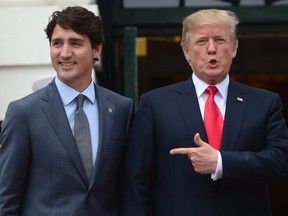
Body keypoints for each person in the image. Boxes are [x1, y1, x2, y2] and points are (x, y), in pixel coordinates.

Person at [121, 9, 288, 216]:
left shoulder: (264, 102)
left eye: (220, 40)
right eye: (201, 41)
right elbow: (136, 182)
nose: (211, 49)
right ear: (186, 51)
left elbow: (281, 162)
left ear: (234, 48)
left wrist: (221, 162)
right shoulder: (155, 104)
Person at [0, 6, 134, 216]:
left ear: (97, 49)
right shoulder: (23, 112)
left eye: (75, 43)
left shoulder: (121, 108)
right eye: (57, 43)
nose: (64, 53)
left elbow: (127, 187)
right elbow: (7, 198)